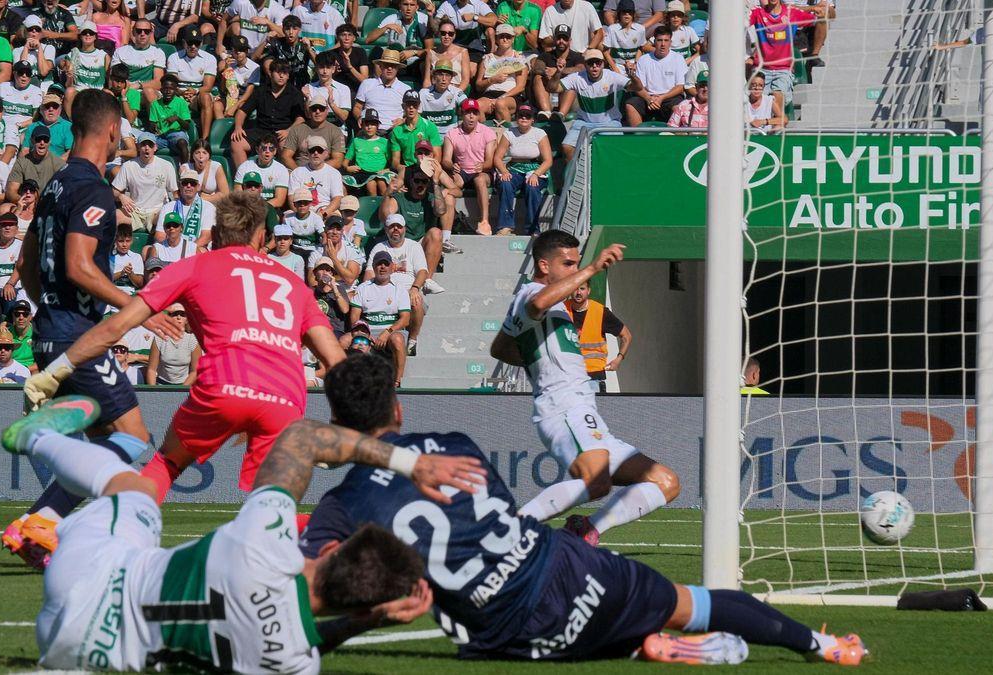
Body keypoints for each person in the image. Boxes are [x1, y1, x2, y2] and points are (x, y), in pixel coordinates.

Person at [299, 351, 869, 665]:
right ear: (398, 408)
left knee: (551, 640)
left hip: (511, 633)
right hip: (569, 570)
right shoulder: (454, 443)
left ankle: (638, 643)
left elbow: (303, 596)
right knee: (690, 601)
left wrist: (362, 616)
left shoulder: (343, 505)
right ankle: (822, 646)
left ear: (337, 420)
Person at [0, 392, 485, 672]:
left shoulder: (264, 539)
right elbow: (303, 640)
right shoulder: (295, 664)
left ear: (333, 547)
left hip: (82, 573)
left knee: (135, 493)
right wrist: (366, 621)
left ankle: (38, 437)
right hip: (79, 652)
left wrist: (410, 461)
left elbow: (303, 438)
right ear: (359, 604)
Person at [22, 189, 350, 505]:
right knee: (271, 513)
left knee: (167, 463)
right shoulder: (295, 284)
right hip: (285, 398)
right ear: (262, 238)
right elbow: (336, 361)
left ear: (218, 232)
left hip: (225, 384)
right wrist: (341, 425)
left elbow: (116, 327)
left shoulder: (194, 266)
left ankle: (121, 537)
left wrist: (54, 372)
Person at [6, 89, 181, 569]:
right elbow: (81, 267)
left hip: (50, 330)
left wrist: (51, 308)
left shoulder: (57, 184)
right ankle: (41, 520)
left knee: (110, 447)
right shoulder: (93, 190)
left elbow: (24, 264)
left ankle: (46, 532)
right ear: (112, 131)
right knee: (133, 439)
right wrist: (140, 306)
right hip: (76, 339)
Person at [491, 230, 678, 543]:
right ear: (544, 265)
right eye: (568, 264)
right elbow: (536, 304)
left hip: (586, 413)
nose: (575, 270)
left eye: (577, 263)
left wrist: (535, 359)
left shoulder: (557, 307)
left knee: (666, 482)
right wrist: (591, 269)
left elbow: (499, 348)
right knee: (596, 481)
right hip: (562, 408)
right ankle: (508, 530)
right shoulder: (531, 293)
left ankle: (587, 531)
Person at [557, 47, 641, 160]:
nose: (594, 66)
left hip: (610, 123)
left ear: (602, 64)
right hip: (583, 123)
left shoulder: (612, 76)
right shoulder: (577, 77)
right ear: (585, 65)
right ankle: (574, 176)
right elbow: (553, 88)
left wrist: (633, 76)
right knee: (567, 147)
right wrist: (558, 72)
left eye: (598, 62)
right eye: (590, 63)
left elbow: (637, 87)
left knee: (617, 149)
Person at [384, 158, 449, 294]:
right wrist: (387, 194)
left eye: (424, 181)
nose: (420, 184)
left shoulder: (431, 197)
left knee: (436, 232)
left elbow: (441, 211)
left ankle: (427, 280)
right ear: (411, 181)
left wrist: (436, 183)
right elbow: (386, 217)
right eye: (417, 181)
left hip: (422, 242)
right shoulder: (400, 197)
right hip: (403, 242)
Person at [366, 213, 428, 356]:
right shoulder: (379, 247)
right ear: (386, 229)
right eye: (392, 227)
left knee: (417, 301)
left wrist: (414, 288)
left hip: (408, 290)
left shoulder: (414, 246)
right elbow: (369, 273)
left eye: (399, 227)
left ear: (404, 229)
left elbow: (423, 272)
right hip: (384, 289)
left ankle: (412, 340)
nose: (395, 230)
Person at [348, 250, 410, 383]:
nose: (382, 267)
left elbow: (405, 318)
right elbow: (354, 316)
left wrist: (387, 332)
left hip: (391, 330)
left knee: (398, 340)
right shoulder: (363, 288)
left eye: (385, 264)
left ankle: (398, 381)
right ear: (374, 267)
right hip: (367, 329)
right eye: (379, 264)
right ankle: (345, 380)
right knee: (343, 341)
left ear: (392, 267)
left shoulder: (399, 289)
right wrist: (364, 334)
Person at [231, 59, 304, 166]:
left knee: (286, 146)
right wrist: (238, 127)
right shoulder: (260, 91)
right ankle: (244, 177)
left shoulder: (295, 93)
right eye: (278, 72)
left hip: (282, 133)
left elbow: (300, 118)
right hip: (261, 131)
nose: (281, 76)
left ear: (288, 76)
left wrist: (288, 131)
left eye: (284, 73)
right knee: (236, 143)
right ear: (270, 73)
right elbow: (242, 112)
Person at [748, 0, 821, 106]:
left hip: (783, 70)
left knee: (777, 100)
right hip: (761, 69)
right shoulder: (757, 12)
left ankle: (775, 120)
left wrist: (824, 13)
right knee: (757, 102)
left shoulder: (791, 13)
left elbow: (820, 20)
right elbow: (738, 24)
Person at [494, 103, 551, 235]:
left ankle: (532, 229)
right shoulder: (509, 133)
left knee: (532, 187)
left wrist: (536, 174)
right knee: (505, 183)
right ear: (516, 118)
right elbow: (497, 158)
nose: (524, 118)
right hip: (514, 168)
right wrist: (504, 171)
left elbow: (548, 160)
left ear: (532, 119)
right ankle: (505, 226)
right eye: (521, 116)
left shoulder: (540, 133)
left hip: (534, 168)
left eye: (527, 116)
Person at [567, 278, 630, 392]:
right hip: (566, 377)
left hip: (593, 378)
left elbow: (626, 336)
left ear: (588, 291)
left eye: (582, 288)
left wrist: (618, 359)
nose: (578, 292)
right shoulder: (561, 310)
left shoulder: (600, 312)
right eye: (575, 288)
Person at [443, 98, 496, 234]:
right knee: (454, 182)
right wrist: (452, 165)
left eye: (474, 113)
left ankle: (484, 221)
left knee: (479, 180)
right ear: (462, 114)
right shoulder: (452, 133)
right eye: (468, 113)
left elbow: (490, 161)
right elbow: (446, 160)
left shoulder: (487, 132)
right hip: (462, 171)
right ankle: (453, 219)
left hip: (482, 171)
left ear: (478, 115)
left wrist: (482, 166)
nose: (471, 116)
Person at [114, 133, 179, 235]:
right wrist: (121, 196)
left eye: (150, 145)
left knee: (167, 216)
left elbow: (175, 193)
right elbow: (114, 191)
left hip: (156, 211)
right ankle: (114, 248)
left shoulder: (166, 165)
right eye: (143, 145)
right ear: (138, 147)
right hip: (135, 211)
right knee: (116, 215)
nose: (147, 148)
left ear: (155, 147)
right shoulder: (128, 166)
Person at [166, 25, 217, 141]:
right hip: (178, 94)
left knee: (206, 98)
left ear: (201, 43)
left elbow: (208, 86)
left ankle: (205, 139)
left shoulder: (210, 59)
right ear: (184, 43)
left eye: (197, 43)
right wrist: (181, 93)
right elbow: (172, 82)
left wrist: (195, 91)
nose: (193, 47)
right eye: (190, 43)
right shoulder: (174, 57)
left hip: (197, 95)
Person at [626, 25, 684, 125]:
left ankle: (675, 138)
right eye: (659, 40)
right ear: (654, 42)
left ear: (670, 42)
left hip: (669, 98)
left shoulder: (678, 58)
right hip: (648, 97)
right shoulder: (644, 59)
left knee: (679, 107)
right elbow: (639, 87)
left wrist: (662, 98)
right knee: (630, 105)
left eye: (666, 40)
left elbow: (680, 87)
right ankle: (637, 138)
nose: (663, 44)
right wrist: (649, 99)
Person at [475, 23, 527, 122]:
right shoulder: (487, 58)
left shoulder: (518, 59)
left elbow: (521, 86)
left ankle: (505, 133)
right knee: (477, 106)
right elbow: (478, 85)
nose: (505, 39)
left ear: (513, 39)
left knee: (500, 104)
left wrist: (501, 97)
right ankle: (482, 133)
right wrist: (492, 80)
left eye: (508, 37)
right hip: (489, 94)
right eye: (502, 36)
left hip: (510, 95)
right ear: (497, 39)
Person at [283, 91, 346, 170]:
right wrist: (299, 172)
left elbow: (338, 161)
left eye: (321, 108)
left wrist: (316, 170)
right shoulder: (297, 129)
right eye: (314, 108)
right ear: (309, 110)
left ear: (327, 111)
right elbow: (286, 156)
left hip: (324, 172)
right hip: (299, 171)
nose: (317, 111)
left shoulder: (335, 131)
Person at [531, 24, 584, 117]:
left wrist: (558, 71)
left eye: (565, 39)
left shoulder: (577, 56)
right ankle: (546, 113)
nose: (561, 41)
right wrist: (546, 73)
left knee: (572, 82)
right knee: (538, 78)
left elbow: (581, 69)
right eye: (559, 38)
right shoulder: (546, 55)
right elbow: (537, 68)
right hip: (548, 92)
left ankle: (560, 115)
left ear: (570, 41)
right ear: (554, 39)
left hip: (568, 96)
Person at [112, 18, 166, 110]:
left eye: (146, 31)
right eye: (139, 30)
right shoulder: (120, 51)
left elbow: (158, 83)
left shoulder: (158, 53)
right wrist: (127, 88)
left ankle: (156, 124)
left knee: (148, 92)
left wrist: (138, 85)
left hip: (145, 92)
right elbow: (113, 78)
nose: (142, 34)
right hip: (125, 90)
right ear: (133, 32)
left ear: (151, 33)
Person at [353, 48, 410, 133]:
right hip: (370, 130)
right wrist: (360, 117)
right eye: (386, 65)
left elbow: (414, 112)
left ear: (398, 68)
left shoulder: (405, 89)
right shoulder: (367, 84)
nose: (390, 68)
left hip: (395, 132)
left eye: (393, 66)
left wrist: (404, 120)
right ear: (381, 66)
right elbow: (357, 107)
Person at [390, 89, 443, 179]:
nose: (411, 108)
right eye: (408, 104)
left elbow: (437, 155)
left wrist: (428, 169)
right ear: (403, 106)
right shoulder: (397, 131)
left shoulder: (430, 126)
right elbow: (395, 161)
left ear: (419, 106)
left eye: (414, 105)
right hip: (408, 169)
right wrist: (406, 171)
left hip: (427, 169)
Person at [157, 168, 216, 248]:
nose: (188, 186)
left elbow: (206, 236)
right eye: (185, 183)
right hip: (171, 247)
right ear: (179, 186)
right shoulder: (168, 207)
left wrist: (186, 250)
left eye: (192, 183)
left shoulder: (208, 207)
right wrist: (174, 248)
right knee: (146, 250)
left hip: (195, 250)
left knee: (201, 251)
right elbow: (160, 235)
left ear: (198, 187)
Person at [255, 14, 314, 91]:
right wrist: (266, 41)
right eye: (287, 29)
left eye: (294, 29)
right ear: (282, 30)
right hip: (280, 85)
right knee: (266, 63)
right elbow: (255, 58)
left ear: (299, 30)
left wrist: (309, 49)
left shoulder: (305, 44)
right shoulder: (276, 43)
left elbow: (319, 63)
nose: (291, 32)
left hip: (301, 85)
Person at [146, 302, 200, 385]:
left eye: (182, 314)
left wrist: (181, 390)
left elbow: (194, 371)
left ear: (186, 319)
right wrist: (153, 390)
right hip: (161, 384)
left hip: (184, 385)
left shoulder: (193, 340)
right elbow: (151, 369)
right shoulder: (159, 338)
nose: (179, 317)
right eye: (175, 314)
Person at [288, 134, 344, 215]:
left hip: (325, 210)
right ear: (308, 153)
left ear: (326, 153)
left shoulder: (334, 173)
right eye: (312, 150)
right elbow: (291, 198)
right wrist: (302, 216)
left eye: (319, 150)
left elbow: (337, 199)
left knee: (335, 219)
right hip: (302, 210)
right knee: (286, 218)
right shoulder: (297, 172)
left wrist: (323, 213)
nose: (316, 153)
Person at [62, 21, 110, 115]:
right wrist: (70, 76)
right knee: (69, 91)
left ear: (95, 36)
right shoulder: (72, 54)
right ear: (80, 36)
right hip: (79, 91)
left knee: (109, 94)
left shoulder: (104, 56)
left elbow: (109, 80)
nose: (88, 35)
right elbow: (68, 85)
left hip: (97, 91)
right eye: (84, 32)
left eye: (91, 33)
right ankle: (71, 122)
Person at [344, 107, 393, 195]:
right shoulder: (356, 141)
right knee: (371, 183)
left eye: (373, 124)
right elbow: (344, 163)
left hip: (379, 173)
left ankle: (385, 205)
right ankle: (372, 205)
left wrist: (387, 170)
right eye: (366, 124)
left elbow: (392, 163)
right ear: (361, 125)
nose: (369, 127)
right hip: (362, 173)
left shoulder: (384, 142)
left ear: (378, 126)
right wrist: (348, 168)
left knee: (381, 184)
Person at [5, 124, 63, 197]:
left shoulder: (59, 164)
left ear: (50, 141)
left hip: (49, 204)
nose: (42, 143)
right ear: (32, 141)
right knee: (4, 208)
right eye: (38, 139)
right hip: (26, 203)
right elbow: (11, 192)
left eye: (45, 139)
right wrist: (27, 202)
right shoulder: (21, 162)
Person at [234, 134, 289, 210]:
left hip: (270, 208)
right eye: (264, 148)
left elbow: (279, 200)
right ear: (257, 150)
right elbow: (238, 194)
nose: (267, 151)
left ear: (275, 151)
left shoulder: (281, 170)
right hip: (247, 207)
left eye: (271, 149)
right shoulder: (245, 166)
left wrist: (259, 208)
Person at [145, 74, 192, 162]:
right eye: (165, 88)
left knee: (182, 143)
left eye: (171, 89)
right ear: (161, 89)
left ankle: (185, 169)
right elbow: (152, 123)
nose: (168, 91)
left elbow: (187, 127)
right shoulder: (155, 104)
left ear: (176, 90)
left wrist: (177, 118)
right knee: (145, 144)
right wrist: (153, 127)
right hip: (160, 136)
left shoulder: (181, 103)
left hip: (177, 133)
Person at [307, 215, 363, 285]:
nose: (334, 232)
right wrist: (331, 284)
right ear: (325, 230)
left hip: (347, 290)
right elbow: (312, 282)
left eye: (338, 229)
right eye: (331, 228)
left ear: (342, 231)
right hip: (325, 290)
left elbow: (350, 279)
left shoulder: (352, 249)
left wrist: (333, 258)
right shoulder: (317, 252)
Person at [0, 298, 36, 370]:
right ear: (13, 316)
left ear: (30, 317)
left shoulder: (38, 335)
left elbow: (43, 361)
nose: (21, 317)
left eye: (25, 314)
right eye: (17, 314)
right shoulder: (5, 333)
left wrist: (24, 370)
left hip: (30, 370)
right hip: (8, 370)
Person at [420, 57, 467, 135]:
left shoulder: (456, 92)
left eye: (447, 75)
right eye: (440, 75)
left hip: (451, 135)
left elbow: (468, 105)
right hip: (429, 135)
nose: (444, 79)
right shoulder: (423, 93)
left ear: (451, 78)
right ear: (434, 76)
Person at [422, 19, 472, 90]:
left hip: (455, 91)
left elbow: (465, 80)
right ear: (439, 34)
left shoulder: (463, 52)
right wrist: (426, 94)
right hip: (435, 92)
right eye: (443, 33)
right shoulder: (431, 53)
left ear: (454, 35)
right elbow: (427, 80)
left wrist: (456, 95)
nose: (446, 36)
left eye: (450, 34)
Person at [602, 0, 647, 73]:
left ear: (633, 14)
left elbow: (640, 48)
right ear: (619, 14)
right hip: (617, 65)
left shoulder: (640, 29)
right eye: (624, 12)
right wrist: (614, 68)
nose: (627, 14)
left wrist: (635, 64)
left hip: (634, 65)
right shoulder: (612, 29)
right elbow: (605, 51)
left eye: (629, 12)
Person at [328, 22, 369, 92]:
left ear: (354, 38)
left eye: (350, 35)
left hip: (356, 90)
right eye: (343, 35)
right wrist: (334, 73)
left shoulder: (360, 52)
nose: (346, 38)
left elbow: (365, 81)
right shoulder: (331, 54)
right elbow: (324, 78)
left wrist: (350, 67)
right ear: (337, 38)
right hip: (336, 91)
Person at [111, 223, 144, 296]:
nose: (124, 245)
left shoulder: (136, 257)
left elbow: (140, 283)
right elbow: (105, 279)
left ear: (132, 241)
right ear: (115, 240)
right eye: (121, 241)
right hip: (112, 292)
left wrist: (130, 273)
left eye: (127, 241)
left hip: (130, 293)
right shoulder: (110, 256)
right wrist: (121, 273)